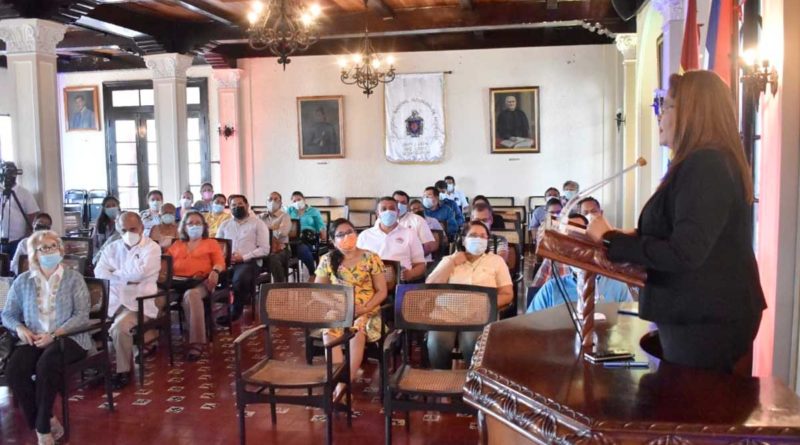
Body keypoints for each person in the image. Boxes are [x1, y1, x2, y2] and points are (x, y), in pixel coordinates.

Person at [586, 71, 766, 372]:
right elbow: (678, 232)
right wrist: (623, 236)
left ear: (691, 113)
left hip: (707, 318)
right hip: (700, 312)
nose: (659, 115)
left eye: (665, 105)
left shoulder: (706, 165)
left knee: (693, 407)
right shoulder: (700, 163)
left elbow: (685, 251)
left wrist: (610, 240)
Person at [2, 231, 90, 445]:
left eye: (54, 246)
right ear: (34, 254)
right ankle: (48, 418)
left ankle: (42, 429)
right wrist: (20, 329)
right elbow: (8, 314)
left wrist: (54, 335)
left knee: (46, 365)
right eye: (44, 248)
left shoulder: (74, 278)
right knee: (14, 369)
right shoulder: (23, 281)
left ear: (60, 251)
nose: (50, 251)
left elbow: (82, 315)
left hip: (69, 338)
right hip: (33, 338)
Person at [315, 219, 387, 399]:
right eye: (341, 234)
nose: (347, 236)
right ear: (333, 240)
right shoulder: (327, 260)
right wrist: (338, 304)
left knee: (357, 330)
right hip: (338, 307)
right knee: (329, 332)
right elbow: (318, 291)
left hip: (366, 309)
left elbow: (382, 291)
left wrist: (365, 308)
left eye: (350, 231)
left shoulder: (371, 257)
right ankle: (339, 379)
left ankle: (344, 383)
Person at [425, 221, 512, 369]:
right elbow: (430, 285)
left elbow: (507, 294)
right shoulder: (450, 259)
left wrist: (485, 305)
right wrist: (452, 262)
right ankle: (442, 381)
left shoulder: (496, 261)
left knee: (473, 342)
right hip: (446, 315)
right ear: (464, 240)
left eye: (483, 236)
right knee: (436, 342)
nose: (479, 239)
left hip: (480, 316)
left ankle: (472, 383)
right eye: (473, 235)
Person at [94, 211, 161, 389]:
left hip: (139, 303)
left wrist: (114, 273)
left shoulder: (152, 247)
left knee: (119, 328)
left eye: (133, 229)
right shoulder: (112, 248)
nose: (129, 233)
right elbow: (99, 272)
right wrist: (125, 277)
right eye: (124, 229)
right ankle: (97, 369)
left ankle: (123, 371)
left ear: (141, 227)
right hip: (113, 302)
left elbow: (139, 274)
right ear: (118, 228)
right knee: (81, 325)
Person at [166, 211, 225, 361]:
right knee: (155, 294)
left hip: (200, 283)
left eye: (198, 223)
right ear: (184, 227)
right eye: (190, 223)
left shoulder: (210, 243)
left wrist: (215, 271)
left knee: (191, 295)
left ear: (204, 226)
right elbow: (165, 264)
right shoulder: (177, 244)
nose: (194, 226)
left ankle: (197, 342)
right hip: (177, 283)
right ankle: (149, 338)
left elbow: (220, 262)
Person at [215, 195, 270, 325]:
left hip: (249, 262)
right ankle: (207, 314)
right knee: (211, 276)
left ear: (247, 205)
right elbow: (218, 245)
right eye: (233, 205)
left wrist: (243, 257)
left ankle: (235, 312)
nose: (237, 207)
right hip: (227, 261)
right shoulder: (225, 225)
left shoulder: (258, 224)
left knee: (240, 278)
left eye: (240, 204)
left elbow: (264, 249)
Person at [356, 197, 426, 282]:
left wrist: (411, 274)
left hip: (400, 283)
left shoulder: (410, 234)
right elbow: (356, 264)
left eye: (392, 208)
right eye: (383, 209)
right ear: (378, 213)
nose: (388, 212)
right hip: (370, 285)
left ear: (398, 212)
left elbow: (421, 265)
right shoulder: (365, 236)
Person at [285, 191, 327, 280]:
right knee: (299, 246)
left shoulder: (313, 211)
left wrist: (323, 236)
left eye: (299, 199)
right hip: (292, 239)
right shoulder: (289, 210)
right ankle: (313, 273)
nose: (296, 202)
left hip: (308, 238)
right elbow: (283, 224)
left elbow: (321, 226)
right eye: (294, 201)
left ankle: (312, 273)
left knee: (301, 247)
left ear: (304, 199)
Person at [0, 167, 40, 258]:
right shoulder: (2, 192)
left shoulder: (24, 193)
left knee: (16, 266)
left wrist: (27, 234)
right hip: (3, 238)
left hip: (18, 238)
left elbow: (32, 213)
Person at [392, 190, 437, 259]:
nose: (399, 205)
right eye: (397, 202)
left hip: (417, 261)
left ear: (407, 205)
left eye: (403, 203)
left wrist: (411, 258)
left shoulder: (418, 220)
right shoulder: (384, 221)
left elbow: (428, 246)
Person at [259, 191, 291, 283]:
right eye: (270, 199)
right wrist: (273, 229)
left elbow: (283, 233)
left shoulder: (285, 216)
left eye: (276, 199)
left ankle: (280, 285)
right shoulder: (260, 217)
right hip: (263, 248)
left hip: (281, 248)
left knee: (272, 258)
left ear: (281, 203)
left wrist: (265, 230)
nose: (272, 201)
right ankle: (262, 286)